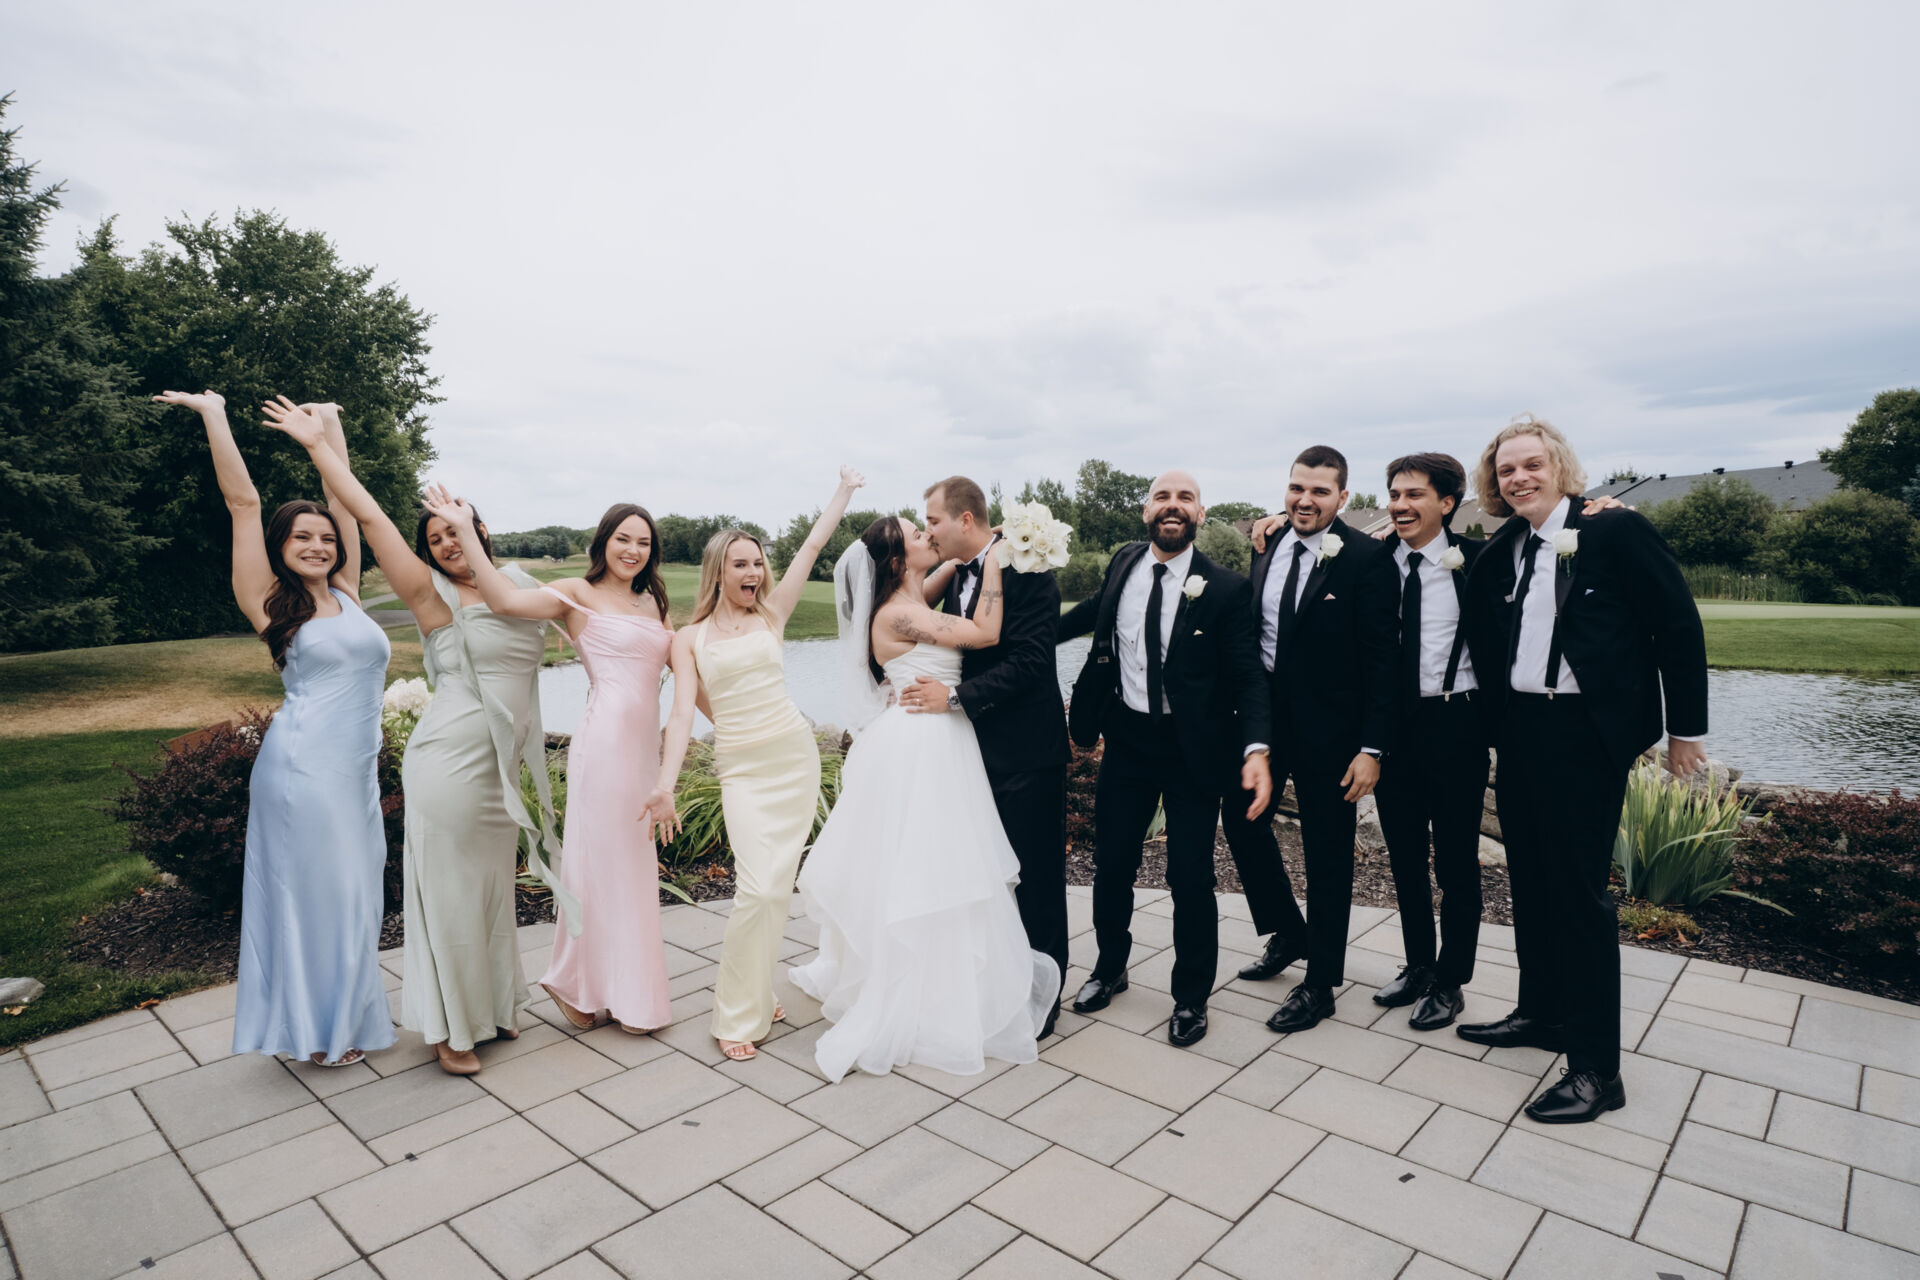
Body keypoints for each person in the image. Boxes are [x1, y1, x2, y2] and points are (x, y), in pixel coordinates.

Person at [266, 411, 557, 1075]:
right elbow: (368, 517)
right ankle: (450, 1029)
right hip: (449, 764)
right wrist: (319, 446)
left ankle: (495, 1006)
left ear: (480, 530)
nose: (447, 541)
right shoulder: (431, 596)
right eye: (435, 537)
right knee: (450, 896)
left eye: (457, 528)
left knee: (491, 892)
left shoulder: (521, 586)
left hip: (500, 773)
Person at [1458, 415, 1707, 1123]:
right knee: (1532, 883)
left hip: (1585, 735)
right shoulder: (1506, 543)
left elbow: (1677, 627)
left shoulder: (1615, 531)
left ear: (1560, 467)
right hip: (1521, 732)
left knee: (1577, 896)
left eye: (1532, 465)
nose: (1520, 478)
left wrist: (1685, 732)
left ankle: (1598, 1070)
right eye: (1507, 470)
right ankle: (1542, 1013)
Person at [158, 391, 395, 1068]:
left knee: (356, 895)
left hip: (353, 772)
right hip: (303, 773)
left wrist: (332, 427)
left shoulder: (347, 591)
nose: (318, 545)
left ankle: (339, 1016)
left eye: (325, 539)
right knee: (320, 896)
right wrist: (214, 414)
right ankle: (319, 1030)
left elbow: (343, 498)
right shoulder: (267, 600)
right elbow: (243, 503)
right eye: (302, 538)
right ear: (281, 548)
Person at [788, 517, 1059, 1080]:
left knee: (943, 862)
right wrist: (993, 559)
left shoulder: (914, 594)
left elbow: (945, 569)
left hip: (938, 737)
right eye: (916, 534)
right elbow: (984, 633)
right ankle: (920, 990)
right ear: (896, 560)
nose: (927, 537)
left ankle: (943, 976)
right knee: (928, 865)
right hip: (923, 743)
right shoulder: (897, 613)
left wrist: (977, 547)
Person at [427, 493, 676, 1037]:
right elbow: (501, 601)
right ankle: (575, 981)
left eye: (643, 542)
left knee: (632, 870)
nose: (632, 550)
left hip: (643, 752)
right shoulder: (575, 593)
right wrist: (465, 528)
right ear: (603, 542)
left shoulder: (654, 604)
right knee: (599, 865)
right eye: (623, 539)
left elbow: (687, 673)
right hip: (603, 747)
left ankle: (614, 989)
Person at [654, 468, 866, 1060]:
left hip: (794, 759)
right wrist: (665, 785)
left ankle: (755, 991)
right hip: (743, 772)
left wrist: (843, 492)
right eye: (741, 564)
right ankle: (737, 1012)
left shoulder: (771, 615)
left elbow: (813, 546)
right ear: (718, 571)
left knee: (774, 890)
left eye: (758, 563)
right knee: (756, 890)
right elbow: (682, 715)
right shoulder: (689, 638)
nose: (754, 572)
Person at [1057, 470, 1272, 1047]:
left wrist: (1256, 748)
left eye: (1185, 498)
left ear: (1200, 513)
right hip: (1128, 740)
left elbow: (1249, 676)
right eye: (1162, 497)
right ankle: (1109, 968)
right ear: (1146, 510)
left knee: (1191, 877)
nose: (1172, 506)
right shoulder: (1125, 562)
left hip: (1193, 749)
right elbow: (1091, 614)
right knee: (1112, 865)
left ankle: (1191, 997)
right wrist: (1025, 636)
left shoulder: (1225, 589)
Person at [1224, 445, 1399, 1035]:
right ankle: (1288, 931)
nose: (1305, 500)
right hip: (1266, 725)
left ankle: (1321, 983)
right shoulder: (1268, 542)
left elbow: (1384, 661)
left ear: (1343, 498)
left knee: (1328, 855)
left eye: (1320, 491)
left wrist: (1372, 748)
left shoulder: (1367, 559)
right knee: (1241, 820)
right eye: (1297, 487)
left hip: (1334, 735)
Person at [895, 476, 1071, 1038]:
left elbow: (1031, 661)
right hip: (969, 755)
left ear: (965, 519)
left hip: (1026, 751)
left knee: (1036, 878)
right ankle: (997, 986)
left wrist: (953, 698)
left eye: (934, 521)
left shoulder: (1028, 571)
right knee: (990, 877)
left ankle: (1043, 999)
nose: (930, 531)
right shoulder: (957, 574)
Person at [1367, 453, 1490, 1032]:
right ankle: (1418, 965)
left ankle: (1450, 980)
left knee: (1457, 861)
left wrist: (1599, 506)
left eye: (1414, 495)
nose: (1400, 505)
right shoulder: (1372, 561)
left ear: (1447, 502)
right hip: (1393, 727)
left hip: (1456, 722)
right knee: (1405, 856)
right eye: (1395, 494)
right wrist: (1271, 524)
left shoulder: (1480, 560)